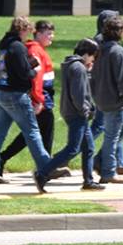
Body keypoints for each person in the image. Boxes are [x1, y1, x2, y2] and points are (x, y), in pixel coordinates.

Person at [0, 16, 57, 192]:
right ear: (23, 30)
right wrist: (34, 69)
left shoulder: (5, 45)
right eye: (28, 31)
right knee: (32, 131)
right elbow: (25, 73)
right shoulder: (17, 46)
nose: (28, 35)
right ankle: (47, 167)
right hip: (14, 95)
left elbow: (12, 68)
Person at [47, 39, 106, 191]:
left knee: (89, 148)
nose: (93, 59)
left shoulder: (74, 66)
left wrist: (88, 72)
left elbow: (81, 86)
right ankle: (42, 172)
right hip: (77, 113)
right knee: (73, 148)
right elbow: (79, 95)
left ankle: (88, 181)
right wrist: (86, 111)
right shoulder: (78, 68)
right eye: (93, 56)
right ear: (86, 54)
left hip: (73, 111)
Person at [91, 14, 123, 183]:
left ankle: (101, 161)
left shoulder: (100, 49)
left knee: (122, 130)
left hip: (101, 98)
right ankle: (108, 172)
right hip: (114, 100)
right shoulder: (117, 51)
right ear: (120, 32)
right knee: (112, 136)